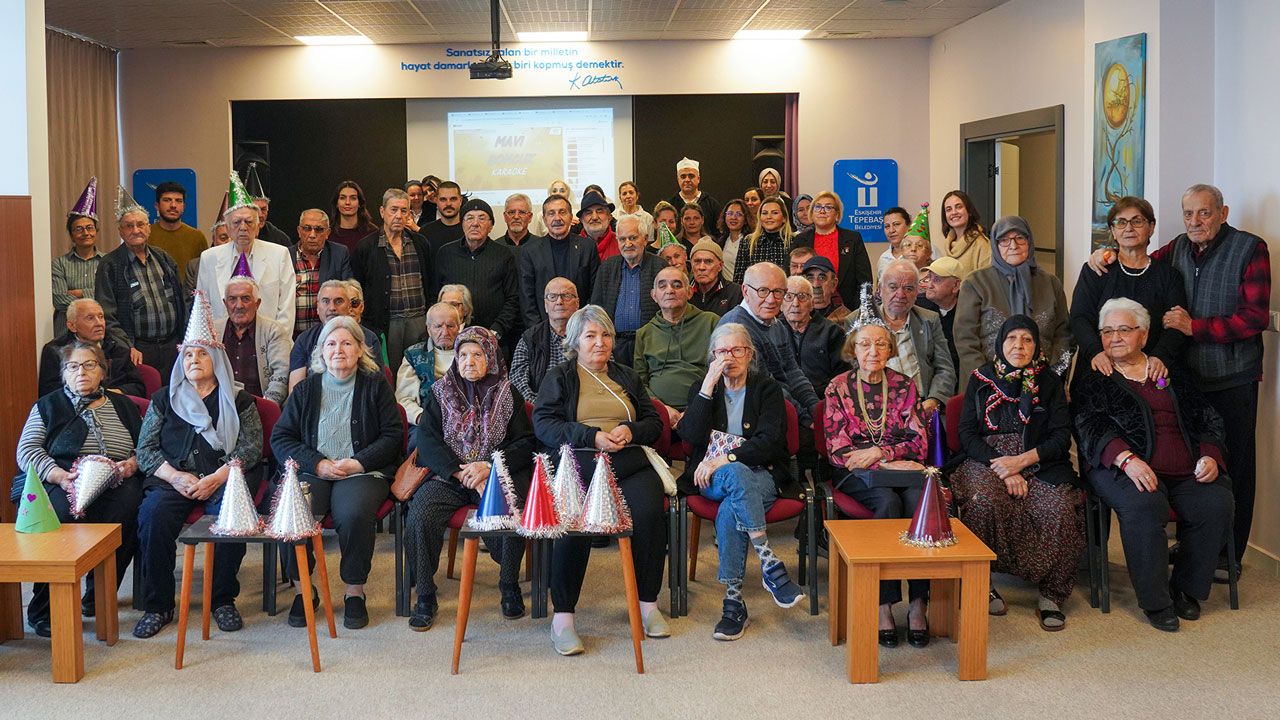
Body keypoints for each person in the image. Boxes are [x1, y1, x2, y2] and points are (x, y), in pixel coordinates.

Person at [1086, 184, 1268, 578]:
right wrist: (1105, 254)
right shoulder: (1178, 249)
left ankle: (1228, 556)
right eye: (1188, 214)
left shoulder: (1250, 248)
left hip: (1232, 374)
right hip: (1187, 376)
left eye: (1204, 212)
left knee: (1233, 463)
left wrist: (1194, 327)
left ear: (1222, 213)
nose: (1195, 221)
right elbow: (1138, 258)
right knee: (1191, 457)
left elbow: (1254, 318)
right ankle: (1192, 545)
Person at [1072, 298, 1234, 632]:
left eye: (1124, 329)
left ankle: (1186, 589)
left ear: (1144, 335)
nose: (1115, 338)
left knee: (1216, 502)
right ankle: (1156, 601)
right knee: (1144, 504)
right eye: (1107, 331)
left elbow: (1206, 415)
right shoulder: (1094, 376)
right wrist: (1126, 459)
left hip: (1186, 466)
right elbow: (1088, 425)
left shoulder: (1169, 371)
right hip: (1122, 467)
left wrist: (1209, 454)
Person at [532, 306, 669, 655]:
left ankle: (648, 604)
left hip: (628, 461)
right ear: (575, 342)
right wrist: (591, 436)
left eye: (605, 335)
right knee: (574, 520)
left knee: (650, 513)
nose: (600, 342)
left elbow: (654, 422)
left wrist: (631, 430)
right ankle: (563, 618)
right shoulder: (560, 377)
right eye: (590, 335)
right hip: (580, 462)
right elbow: (544, 425)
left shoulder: (627, 376)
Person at [133, 295, 264, 638]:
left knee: (230, 517)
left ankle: (222, 600)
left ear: (217, 358)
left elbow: (251, 448)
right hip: (173, 480)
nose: (194, 360)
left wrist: (218, 477)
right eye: (188, 354)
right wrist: (176, 477)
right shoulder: (164, 399)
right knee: (152, 516)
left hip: (224, 477)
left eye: (202, 354)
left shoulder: (239, 400)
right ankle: (159, 605)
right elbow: (145, 450)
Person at [271, 315, 402, 630]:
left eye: (346, 343)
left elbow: (393, 435)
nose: (338, 350)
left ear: (360, 349)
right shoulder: (305, 389)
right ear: (321, 351)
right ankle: (303, 589)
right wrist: (317, 463)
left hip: (361, 472)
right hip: (313, 470)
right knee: (292, 511)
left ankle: (354, 591)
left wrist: (358, 462)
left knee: (353, 513)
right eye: (331, 344)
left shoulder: (376, 386)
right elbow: (281, 438)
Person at [953, 316, 1082, 630]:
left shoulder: (1049, 382)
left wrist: (1021, 462)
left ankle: (1051, 595)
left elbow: (1060, 436)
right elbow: (967, 434)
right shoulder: (981, 379)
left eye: (1027, 339)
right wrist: (1004, 467)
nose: (1019, 346)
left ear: (1037, 345)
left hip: (1038, 460)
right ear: (1000, 342)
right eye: (1012, 338)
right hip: (988, 460)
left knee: (1060, 508)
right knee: (982, 501)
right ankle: (982, 584)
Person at [680, 323, 806, 640]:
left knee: (730, 506)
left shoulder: (767, 388)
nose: (730, 357)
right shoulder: (703, 387)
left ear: (750, 354)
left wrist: (727, 458)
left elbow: (771, 441)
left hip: (761, 474)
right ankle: (769, 562)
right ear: (713, 356)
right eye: (722, 351)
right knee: (735, 476)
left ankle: (734, 603)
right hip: (709, 477)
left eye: (737, 350)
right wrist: (707, 386)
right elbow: (689, 437)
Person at [405, 327, 534, 630]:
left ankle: (509, 585)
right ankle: (425, 593)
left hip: (492, 474)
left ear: (491, 357)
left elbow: (524, 442)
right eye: (463, 355)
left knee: (510, 509)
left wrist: (488, 466)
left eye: (477, 354)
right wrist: (459, 471)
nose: (469, 361)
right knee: (420, 513)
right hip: (450, 476)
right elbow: (427, 441)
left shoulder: (508, 393)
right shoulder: (440, 391)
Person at [15, 341, 144, 637]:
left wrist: (132, 464)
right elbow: (27, 450)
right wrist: (58, 475)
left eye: (89, 365)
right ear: (63, 374)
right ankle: (44, 607)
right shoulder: (48, 405)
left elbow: (146, 446)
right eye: (73, 367)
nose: (81, 372)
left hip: (118, 479)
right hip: (64, 478)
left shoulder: (123, 405)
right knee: (57, 518)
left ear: (103, 371)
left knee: (131, 511)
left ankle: (98, 596)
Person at [823, 320, 930, 648]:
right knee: (887, 502)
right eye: (865, 344)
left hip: (900, 467)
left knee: (919, 501)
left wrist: (882, 453)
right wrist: (880, 460)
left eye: (881, 344)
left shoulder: (904, 385)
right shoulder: (838, 387)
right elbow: (838, 450)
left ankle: (919, 601)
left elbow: (920, 442)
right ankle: (883, 603)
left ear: (891, 349)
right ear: (853, 349)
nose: (873, 351)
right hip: (857, 473)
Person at [1070, 196, 1186, 392]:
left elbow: (1177, 325)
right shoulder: (1096, 270)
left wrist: (1161, 356)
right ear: (1113, 231)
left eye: (1137, 221)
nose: (1129, 228)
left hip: (1151, 371)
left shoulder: (1169, 275)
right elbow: (1079, 317)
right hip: (1101, 367)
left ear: (1151, 227)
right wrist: (1095, 352)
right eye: (1121, 222)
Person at [954, 216, 1073, 380]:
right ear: (995, 245)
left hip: (1043, 383)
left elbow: (1064, 335)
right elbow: (965, 339)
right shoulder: (976, 283)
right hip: (987, 384)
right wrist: (988, 380)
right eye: (1004, 240)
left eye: (1020, 238)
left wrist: (1053, 376)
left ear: (1029, 241)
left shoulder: (1051, 283)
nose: (1013, 246)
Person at [95, 185, 188, 372]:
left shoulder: (164, 259)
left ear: (149, 228)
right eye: (129, 226)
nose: (136, 230)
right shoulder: (110, 265)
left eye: (140, 224)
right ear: (121, 231)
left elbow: (181, 302)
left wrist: (184, 340)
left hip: (172, 347)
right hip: (136, 350)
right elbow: (107, 314)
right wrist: (127, 346)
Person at [717, 263, 820, 427]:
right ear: (745, 291)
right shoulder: (736, 329)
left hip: (782, 406)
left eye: (778, 292)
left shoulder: (776, 325)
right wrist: (806, 420)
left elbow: (793, 372)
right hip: (750, 415)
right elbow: (766, 386)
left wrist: (817, 409)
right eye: (763, 291)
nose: (771, 300)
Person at [196, 174, 297, 336]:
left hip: (267, 340)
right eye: (236, 222)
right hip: (221, 340)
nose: (243, 227)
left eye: (249, 222)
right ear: (227, 228)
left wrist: (277, 342)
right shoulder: (209, 258)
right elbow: (202, 307)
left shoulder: (279, 255)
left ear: (257, 227)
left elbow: (287, 308)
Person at [352, 188, 432, 371]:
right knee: (389, 372)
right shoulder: (366, 247)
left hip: (419, 320)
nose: (398, 216)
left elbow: (429, 280)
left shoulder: (420, 243)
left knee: (420, 372)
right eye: (393, 210)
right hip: (386, 323)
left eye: (404, 211)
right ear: (382, 212)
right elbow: (357, 286)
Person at [635, 266, 718, 427]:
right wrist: (662, 409)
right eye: (662, 286)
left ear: (689, 292)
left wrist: (698, 406)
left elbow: (722, 372)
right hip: (658, 413)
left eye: (677, 285)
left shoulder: (711, 322)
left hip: (705, 405)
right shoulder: (644, 333)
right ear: (654, 295)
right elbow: (640, 382)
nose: (669, 290)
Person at [874, 260, 957, 417]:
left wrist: (934, 399)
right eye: (893, 287)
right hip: (878, 408)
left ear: (917, 292)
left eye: (909, 288)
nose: (900, 294)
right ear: (880, 289)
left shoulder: (929, 319)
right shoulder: (859, 321)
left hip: (921, 405)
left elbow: (945, 368)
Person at [432, 198, 520, 343]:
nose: (475, 223)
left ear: (491, 225)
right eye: (469, 218)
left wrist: (497, 330)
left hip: (494, 337)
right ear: (462, 223)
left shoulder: (504, 254)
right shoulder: (445, 253)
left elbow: (513, 298)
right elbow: (434, 296)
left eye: (482, 218)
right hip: (453, 337)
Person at [589, 216, 663, 366]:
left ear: (645, 239)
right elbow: (596, 307)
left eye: (633, 238)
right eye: (622, 239)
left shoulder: (659, 267)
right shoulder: (607, 267)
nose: (627, 244)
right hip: (614, 346)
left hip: (651, 345)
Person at [518, 194, 599, 328]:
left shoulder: (587, 247)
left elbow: (595, 292)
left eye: (562, 212)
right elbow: (527, 298)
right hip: (543, 328)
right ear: (544, 220)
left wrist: (584, 326)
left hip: (581, 328)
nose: (557, 218)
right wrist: (539, 331)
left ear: (570, 217)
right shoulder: (530, 251)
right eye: (551, 213)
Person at [288, 280, 385, 391]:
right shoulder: (304, 340)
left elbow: (377, 387)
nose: (332, 307)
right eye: (326, 301)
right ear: (317, 308)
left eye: (339, 301)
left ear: (349, 307)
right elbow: (296, 392)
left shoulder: (369, 338)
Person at [39, 299, 145, 398]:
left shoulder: (117, 348)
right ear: (72, 326)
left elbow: (138, 387)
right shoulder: (55, 351)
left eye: (101, 317)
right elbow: (50, 393)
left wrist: (113, 394)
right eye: (90, 318)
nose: (99, 323)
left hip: (114, 405)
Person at [212, 276, 291, 406]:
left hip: (260, 407)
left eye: (245, 299)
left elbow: (281, 373)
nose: (239, 306)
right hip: (221, 407)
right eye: (232, 299)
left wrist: (267, 407)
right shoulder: (213, 331)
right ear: (225, 303)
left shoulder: (273, 331)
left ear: (257, 303)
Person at [794, 190, 873, 310]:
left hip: (846, 309)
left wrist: (857, 311)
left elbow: (865, 281)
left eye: (828, 207)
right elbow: (791, 274)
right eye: (818, 207)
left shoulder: (853, 239)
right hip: (807, 308)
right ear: (812, 213)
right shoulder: (800, 240)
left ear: (837, 215)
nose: (822, 211)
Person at [511, 278, 577, 406]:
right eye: (552, 297)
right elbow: (517, 382)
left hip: (582, 409)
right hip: (540, 409)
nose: (559, 301)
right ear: (546, 305)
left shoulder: (590, 335)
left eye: (566, 296)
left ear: (577, 303)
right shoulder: (530, 338)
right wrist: (541, 408)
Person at [291, 208, 354, 337]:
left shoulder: (339, 254)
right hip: (292, 334)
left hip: (330, 334)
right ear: (299, 231)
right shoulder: (286, 255)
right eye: (307, 228)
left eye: (319, 229)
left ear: (327, 233)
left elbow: (349, 292)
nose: (312, 235)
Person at [396, 302, 462, 425]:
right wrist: (422, 418)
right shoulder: (413, 355)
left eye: (450, 326)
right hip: (425, 421)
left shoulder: (469, 353)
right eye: (438, 326)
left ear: (459, 327)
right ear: (429, 329)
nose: (445, 332)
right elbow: (404, 399)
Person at [781, 276, 847, 398]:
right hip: (784, 400)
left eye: (802, 297)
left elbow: (841, 378)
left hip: (823, 399)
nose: (795, 303)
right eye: (788, 297)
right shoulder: (774, 330)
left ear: (812, 304)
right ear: (781, 303)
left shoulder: (832, 332)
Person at [52, 178, 104, 332]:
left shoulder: (108, 261)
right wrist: (94, 294)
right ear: (71, 235)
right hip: (67, 332)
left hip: (100, 332)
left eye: (90, 227)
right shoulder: (59, 264)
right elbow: (59, 300)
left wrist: (80, 292)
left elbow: (111, 296)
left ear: (96, 231)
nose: (85, 233)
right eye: (79, 229)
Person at [148, 181, 208, 280]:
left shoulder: (197, 237)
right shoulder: (145, 235)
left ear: (183, 206)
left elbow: (205, 273)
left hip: (189, 290)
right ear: (157, 206)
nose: (173, 205)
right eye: (167, 200)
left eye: (178, 201)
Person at [732, 197, 792, 284]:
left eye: (774, 213)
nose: (769, 217)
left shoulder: (793, 241)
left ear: (784, 218)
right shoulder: (748, 242)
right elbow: (739, 278)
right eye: (764, 213)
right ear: (759, 217)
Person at [919, 257, 963, 372]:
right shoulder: (918, 306)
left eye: (937, 280)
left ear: (956, 285)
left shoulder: (969, 310)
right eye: (929, 278)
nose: (929, 285)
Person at [939, 190, 991, 277]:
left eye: (958, 207)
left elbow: (987, 280)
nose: (954, 212)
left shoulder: (981, 244)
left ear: (969, 211)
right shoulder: (948, 245)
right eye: (948, 209)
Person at [667, 157, 721, 236]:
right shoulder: (670, 205)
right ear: (678, 180)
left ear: (698, 179)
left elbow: (719, 233)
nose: (687, 180)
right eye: (683, 177)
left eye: (691, 176)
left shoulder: (712, 205)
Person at [689, 239, 743, 315]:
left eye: (708, 261)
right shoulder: (682, 291)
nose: (701, 267)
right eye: (697, 261)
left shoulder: (736, 293)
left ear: (720, 266)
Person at [242, 166, 291, 248]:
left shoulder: (279, 240)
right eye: (256, 209)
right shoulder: (233, 234)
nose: (261, 215)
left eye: (263, 209)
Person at [188, 204, 230, 295]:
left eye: (233, 238)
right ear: (214, 239)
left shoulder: (247, 262)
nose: (229, 242)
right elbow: (189, 299)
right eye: (223, 238)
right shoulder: (195, 266)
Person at [329, 180, 379, 253]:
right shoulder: (328, 233)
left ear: (359, 203)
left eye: (353, 198)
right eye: (343, 198)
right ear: (336, 203)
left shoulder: (372, 232)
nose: (347, 202)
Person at [802, 256, 852, 326]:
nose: (815, 285)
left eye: (822, 278)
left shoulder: (848, 320)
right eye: (810, 278)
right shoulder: (793, 316)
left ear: (834, 284)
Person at [420, 180, 465, 255]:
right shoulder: (425, 232)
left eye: (453, 199)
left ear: (460, 201)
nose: (448, 204)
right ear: (436, 201)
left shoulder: (470, 230)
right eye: (443, 199)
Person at [716, 199, 752, 283]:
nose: (733, 217)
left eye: (739, 214)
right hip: (724, 287)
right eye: (730, 213)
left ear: (745, 219)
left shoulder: (750, 242)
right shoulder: (721, 241)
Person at [579, 189, 618, 262]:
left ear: (609, 217)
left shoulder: (621, 243)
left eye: (600, 211)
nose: (594, 217)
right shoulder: (573, 246)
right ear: (581, 219)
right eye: (588, 213)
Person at [877, 206, 912, 281]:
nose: (891, 230)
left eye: (896, 224)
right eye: (887, 226)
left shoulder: (924, 252)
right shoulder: (883, 258)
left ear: (908, 226)